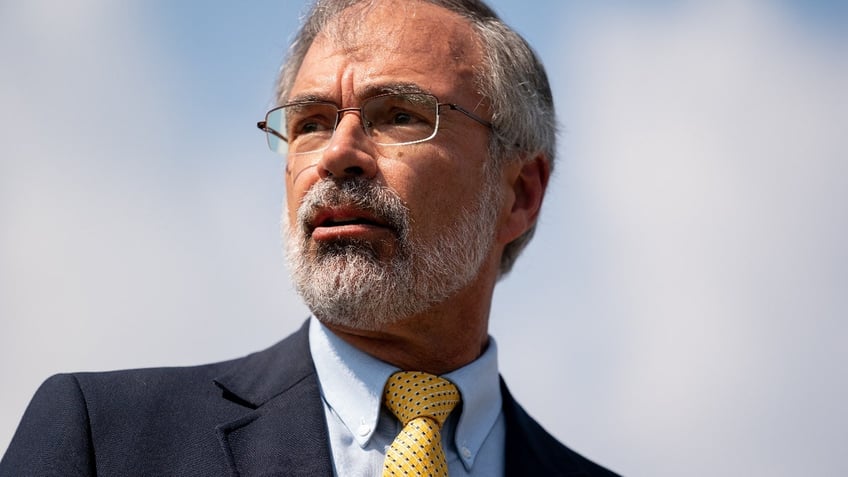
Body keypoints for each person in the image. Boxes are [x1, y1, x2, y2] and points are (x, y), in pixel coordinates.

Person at [1, 0, 620, 475]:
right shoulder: (104, 445)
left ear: (520, 193)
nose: (338, 154)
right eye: (311, 123)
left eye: (399, 114)